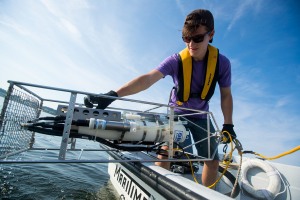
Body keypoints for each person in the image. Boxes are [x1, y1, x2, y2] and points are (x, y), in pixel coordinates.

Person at [84, 9, 236, 187]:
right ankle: (155, 187)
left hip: (202, 116)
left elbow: (226, 95)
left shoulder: (222, 63)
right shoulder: (176, 60)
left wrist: (228, 124)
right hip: (177, 113)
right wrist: (112, 95)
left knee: (211, 160)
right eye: (187, 39)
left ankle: (208, 193)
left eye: (197, 39)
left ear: (211, 35)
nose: (191, 45)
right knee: (168, 151)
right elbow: (147, 79)